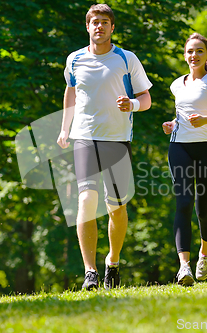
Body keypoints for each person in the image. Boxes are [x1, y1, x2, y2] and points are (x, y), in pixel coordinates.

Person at [57, 4, 152, 290]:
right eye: (94, 22)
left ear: (112, 28)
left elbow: (146, 99)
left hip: (117, 139)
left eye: (104, 22)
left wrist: (132, 104)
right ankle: (90, 272)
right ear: (87, 27)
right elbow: (71, 93)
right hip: (84, 137)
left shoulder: (126, 58)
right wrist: (64, 128)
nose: (99, 26)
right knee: (86, 201)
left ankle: (113, 259)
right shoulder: (74, 60)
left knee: (116, 207)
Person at [162, 33, 207, 286]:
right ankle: (184, 267)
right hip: (179, 147)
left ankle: (206, 250)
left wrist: (205, 120)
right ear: (185, 55)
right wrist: (172, 124)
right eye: (190, 51)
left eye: (199, 51)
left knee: (203, 208)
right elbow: (180, 115)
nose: (194, 55)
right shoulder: (176, 85)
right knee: (183, 202)